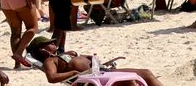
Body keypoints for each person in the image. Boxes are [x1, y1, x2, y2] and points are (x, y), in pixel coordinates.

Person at [26, 35, 162, 85]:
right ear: (42, 49)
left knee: (146, 73)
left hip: (102, 71)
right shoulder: (50, 61)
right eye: (50, 43)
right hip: (92, 78)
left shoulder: (64, 55)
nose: (55, 43)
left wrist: (98, 61)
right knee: (129, 81)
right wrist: (73, 73)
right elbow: (52, 77)